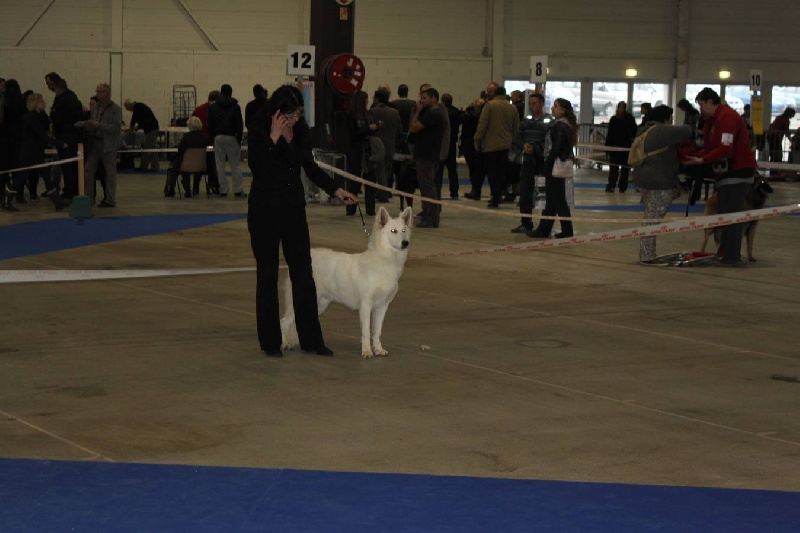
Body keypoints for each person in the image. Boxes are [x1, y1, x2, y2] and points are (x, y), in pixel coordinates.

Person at [246, 85, 357, 357]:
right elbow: (258, 168)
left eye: (298, 114)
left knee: (303, 273)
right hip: (265, 210)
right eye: (290, 115)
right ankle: (270, 342)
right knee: (268, 274)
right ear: (277, 112)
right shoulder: (259, 127)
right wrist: (273, 138)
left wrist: (335, 189)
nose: (295, 119)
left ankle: (311, 339)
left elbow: (310, 166)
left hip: (293, 208)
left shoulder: (301, 131)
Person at [684, 87, 757, 266]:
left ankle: (732, 256)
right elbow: (712, 147)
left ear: (710, 102)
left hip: (737, 172)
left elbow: (725, 147)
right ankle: (725, 252)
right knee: (725, 215)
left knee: (731, 216)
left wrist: (703, 159)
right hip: (726, 173)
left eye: (702, 104)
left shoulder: (727, 117)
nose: (700, 109)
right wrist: (696, 156)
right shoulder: (714, 120)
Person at [631, 105, 693, 265]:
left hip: (645, 178)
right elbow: (687, 130)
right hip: (658, 181)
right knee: (652, 220)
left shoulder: (644, 130)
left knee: (650, 217)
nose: (672, 121)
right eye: (671, 118)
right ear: (664, 118)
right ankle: (647, 256)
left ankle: (647, 254)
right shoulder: (660, 131)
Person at [527, 98, 578, 239]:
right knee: (552, 199)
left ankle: (565, 229)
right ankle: (544, 228)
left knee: (557, 199)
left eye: (555, 106)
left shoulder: (560, 125)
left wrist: (548, 163)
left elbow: (556, 147)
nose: (552, 108)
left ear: (562, 110)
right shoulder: (566, 124)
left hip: (555, 165)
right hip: (558, 164)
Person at [511, 92, 552, 233]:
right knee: (525, 192)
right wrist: (524, 145)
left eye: (534, 104)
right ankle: (526, 222)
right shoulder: (526, 120)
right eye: (530, 104)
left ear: (541, 104)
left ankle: (543, 225)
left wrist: (535, 148)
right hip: (528, 160)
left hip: (542, 161)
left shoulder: (550, 121)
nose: (532, 106)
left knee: (543, 193)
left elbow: (549, 141)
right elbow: (517, 138)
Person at [473, 85, 520, 208]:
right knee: (502, 172)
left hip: (491, 145)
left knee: (492, 173)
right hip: (506, 145)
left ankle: (495, 196)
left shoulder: (490, 105)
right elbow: (516, 127)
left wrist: (477, 139)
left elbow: (482, 124)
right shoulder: (512, 107)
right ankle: (500, 193)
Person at [410, 87, 445, 228]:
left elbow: (414, 127)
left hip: (427, 154)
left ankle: (431, 217)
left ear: (433, 98)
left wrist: (418, 111)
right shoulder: (434, 113)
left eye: (424, 98)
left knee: (427, 186)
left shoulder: (432, 114)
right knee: (427, 185)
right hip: (429, 153)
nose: (422, 101)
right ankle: (427, 212)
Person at [83, 82, 123, 207]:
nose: (97, 94)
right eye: (97, 91)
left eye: (100, 91)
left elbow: (116, 128)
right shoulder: (94, 107)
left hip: (108, 145)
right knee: (88, 170)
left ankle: (110, 199)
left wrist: (100, 125)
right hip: (95, 143)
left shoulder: (116, 109)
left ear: (107, 93)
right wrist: (89, 125)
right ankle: (88, 198)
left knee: (110, 173)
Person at [343, 90, 381, 216]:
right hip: (356, 150)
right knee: (354, 180)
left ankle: (370, 209)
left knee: (370, 179)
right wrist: (368, 129)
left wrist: (375, 127)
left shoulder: (368, 113)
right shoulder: (351, 115)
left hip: (368, 150)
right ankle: (351, 208)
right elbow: (353, 134)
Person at [208, 83, 245, 197]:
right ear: (231, 93)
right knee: (235, 165)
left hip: (218, 137)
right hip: (231, 137)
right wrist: (239, 139)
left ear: (221, 92)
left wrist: (212, 138)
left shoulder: (213, 107)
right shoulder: (235, 106)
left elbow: (210, 124)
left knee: (219, 165)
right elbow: (239, 124)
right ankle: (238, 190)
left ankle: (223, 189)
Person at [166, 116, 207, 197]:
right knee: (187, 165)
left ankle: (172, 189)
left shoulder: (186, 138)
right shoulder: (204, 138)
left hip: (186, 165)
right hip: (200, 165)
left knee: (175, 167)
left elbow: (180, 151)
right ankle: (195, 188)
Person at [191, 90, 220, 195]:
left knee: (199, 164)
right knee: (212, 163)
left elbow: (192, 123)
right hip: (210, 143)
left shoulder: (198, 109)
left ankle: (195, 187)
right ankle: (212, 185)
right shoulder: (217, 109)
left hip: (198, 143)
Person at [604, 101, 637, 193]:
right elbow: (610, 134)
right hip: (616, 147)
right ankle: (613, 185)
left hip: (624, 147)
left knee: (624, 168)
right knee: (615, 168)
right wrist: (607, 147)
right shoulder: (614, 119)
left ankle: (621, 186)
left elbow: (633, 131)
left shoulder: (629, 119)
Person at [123, 98, 160, 172]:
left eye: (127, 108)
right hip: (151, 129)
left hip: (151, 129)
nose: (127, 110)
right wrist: (133, 128)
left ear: (129, 105)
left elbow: (135, 120)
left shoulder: (137, 108)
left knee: (149, 149)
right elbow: (140, 121)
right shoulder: (138, 107)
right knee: (150, 148)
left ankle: (148, 167)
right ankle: (150, 166)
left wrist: (132, 128)